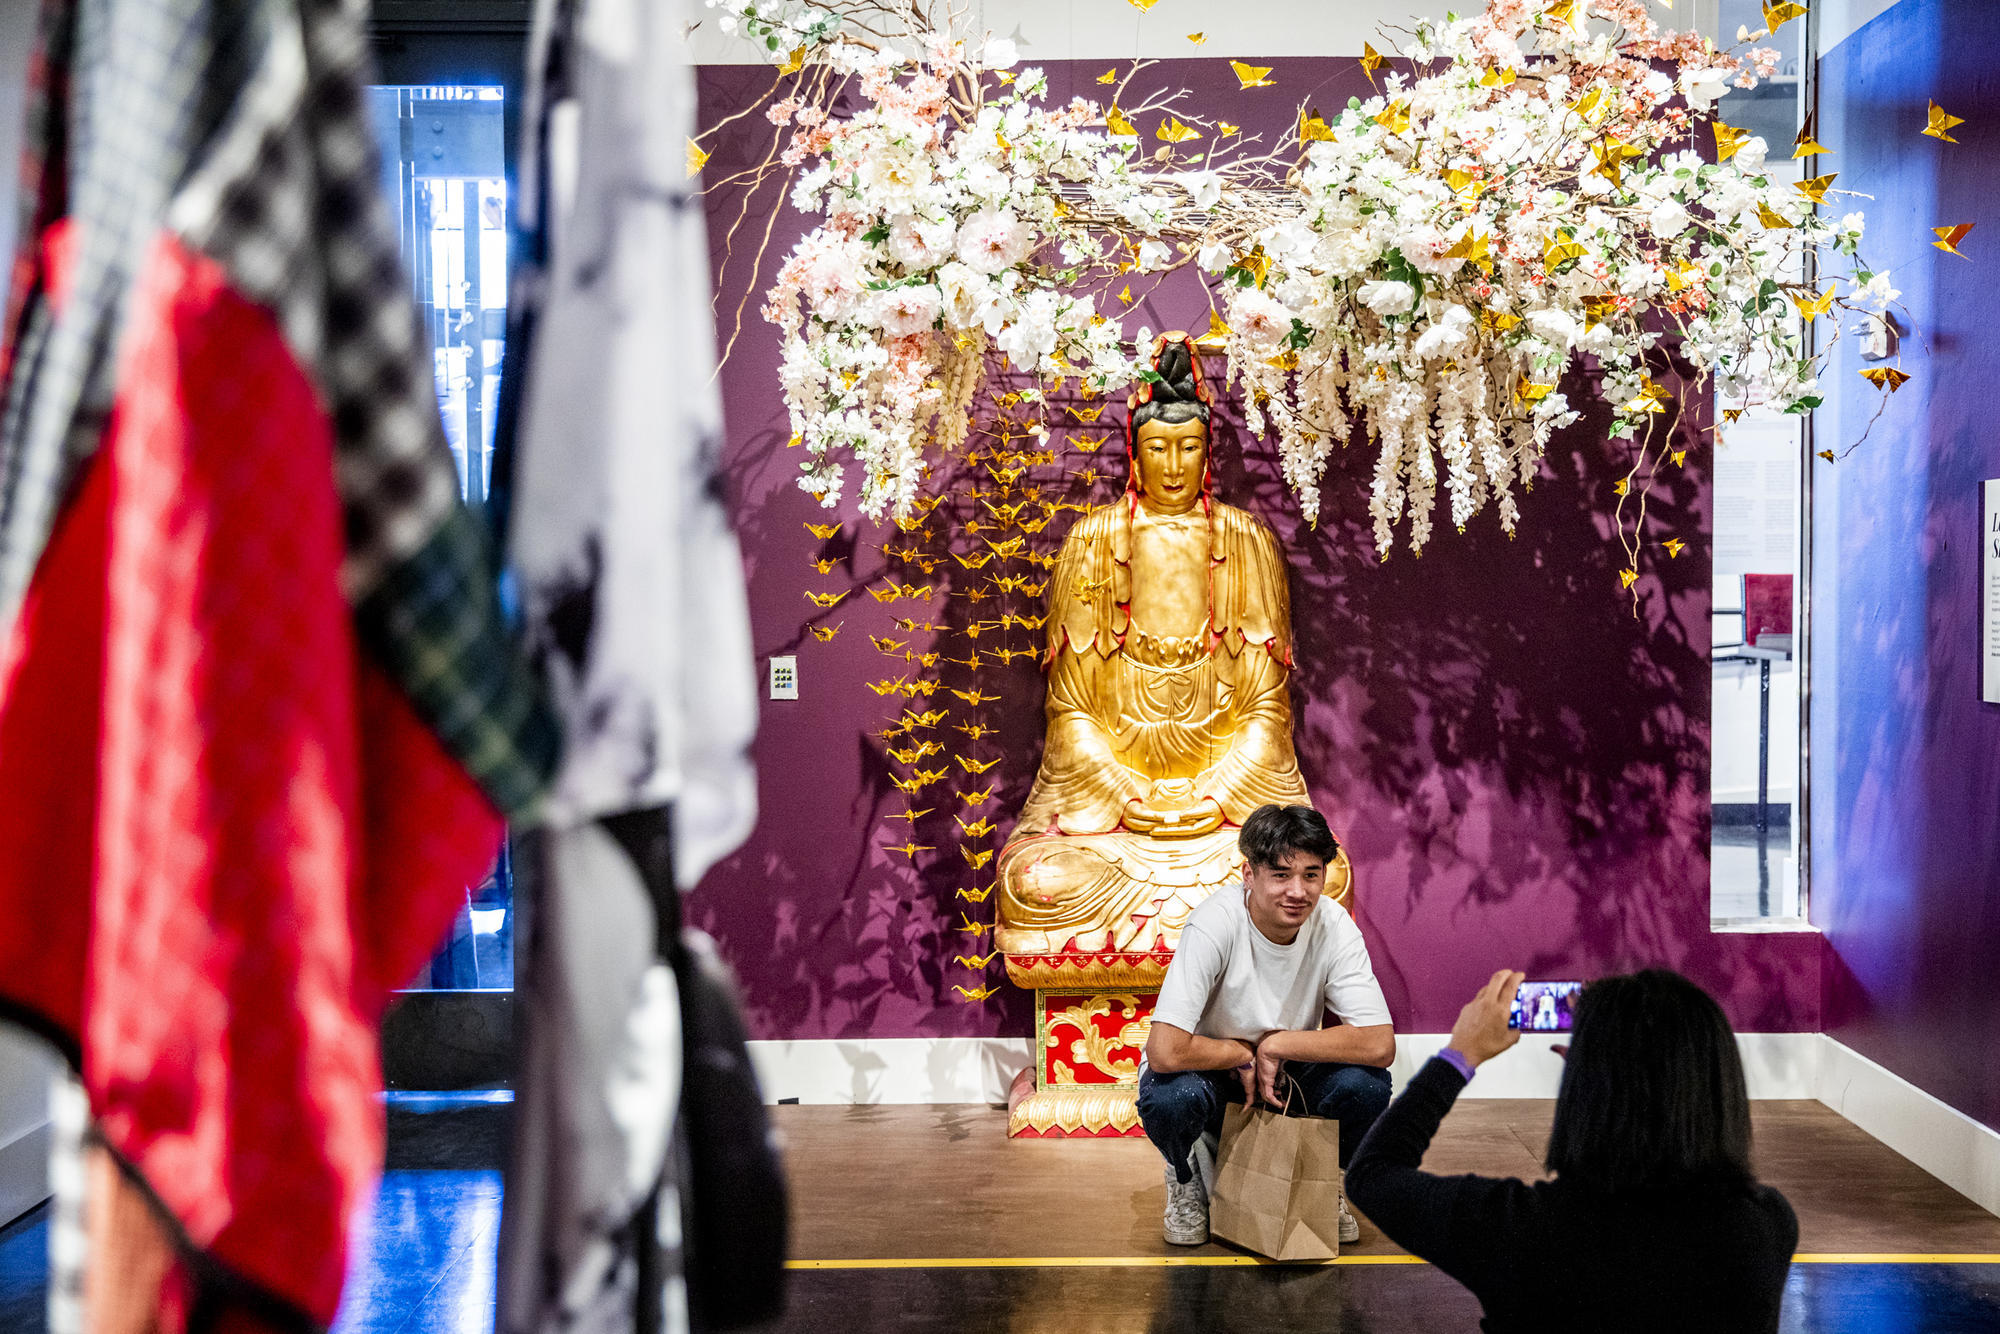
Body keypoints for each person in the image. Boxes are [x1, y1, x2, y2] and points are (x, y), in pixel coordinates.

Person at [1346, 969, 1798, 1333]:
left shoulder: (1517, 1229)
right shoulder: (1766, 1226)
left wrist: (1459, 1056)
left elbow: (1373, 1174)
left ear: (1585, 1086)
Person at [1137, 803, 1396, 1247]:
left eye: (1311, 875)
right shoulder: (1214, 923)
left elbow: (1379, 1044)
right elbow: (1164, 1050)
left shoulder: (1334, 925)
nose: (1298, 891)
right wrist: (1241, 1052)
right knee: (1171, 1097)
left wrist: (1276, 1046)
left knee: (1368, 1085)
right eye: (1280, 874)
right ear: (1249, 874)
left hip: (1287, 1076)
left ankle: (1325, 1180)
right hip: (1214, 1070)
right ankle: (1184, 1176)